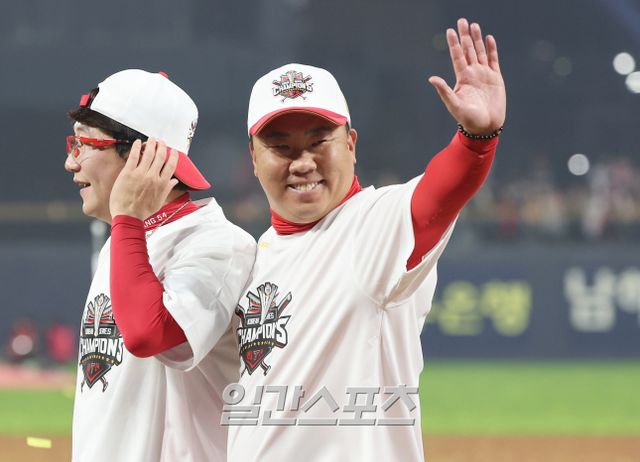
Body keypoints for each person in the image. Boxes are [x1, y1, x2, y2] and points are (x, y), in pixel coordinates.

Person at [226, 18, 505, 461]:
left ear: (351, 145)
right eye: (281, 147)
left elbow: (437, 195)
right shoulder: (255, 256)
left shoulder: (373, 224)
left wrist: (476, 142)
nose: (302, 162)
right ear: (254, 159)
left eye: (319, 141)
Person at [64, 69, 256, 461]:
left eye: (85, 143)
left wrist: (127, 218)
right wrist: (127, 224)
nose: (71, 162)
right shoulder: (123, 242)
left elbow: (149, 335)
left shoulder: (220, 244)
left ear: (143, 155)